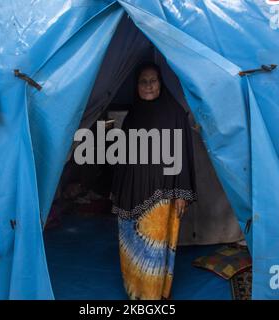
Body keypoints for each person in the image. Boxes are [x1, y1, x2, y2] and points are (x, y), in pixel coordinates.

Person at [111, 62, 197, 300]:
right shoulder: (132, 117)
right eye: (143, 81)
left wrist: (182, 192)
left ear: (161, 83)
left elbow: (183, 156)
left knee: (154, 250)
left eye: (153, 80)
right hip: (132, 192)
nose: (148, 86)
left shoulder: (175, 114)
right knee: (133, 246)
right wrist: (118, 192)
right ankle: (136, 294)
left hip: (161, 196)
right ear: (136, 86)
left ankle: (153, 296)